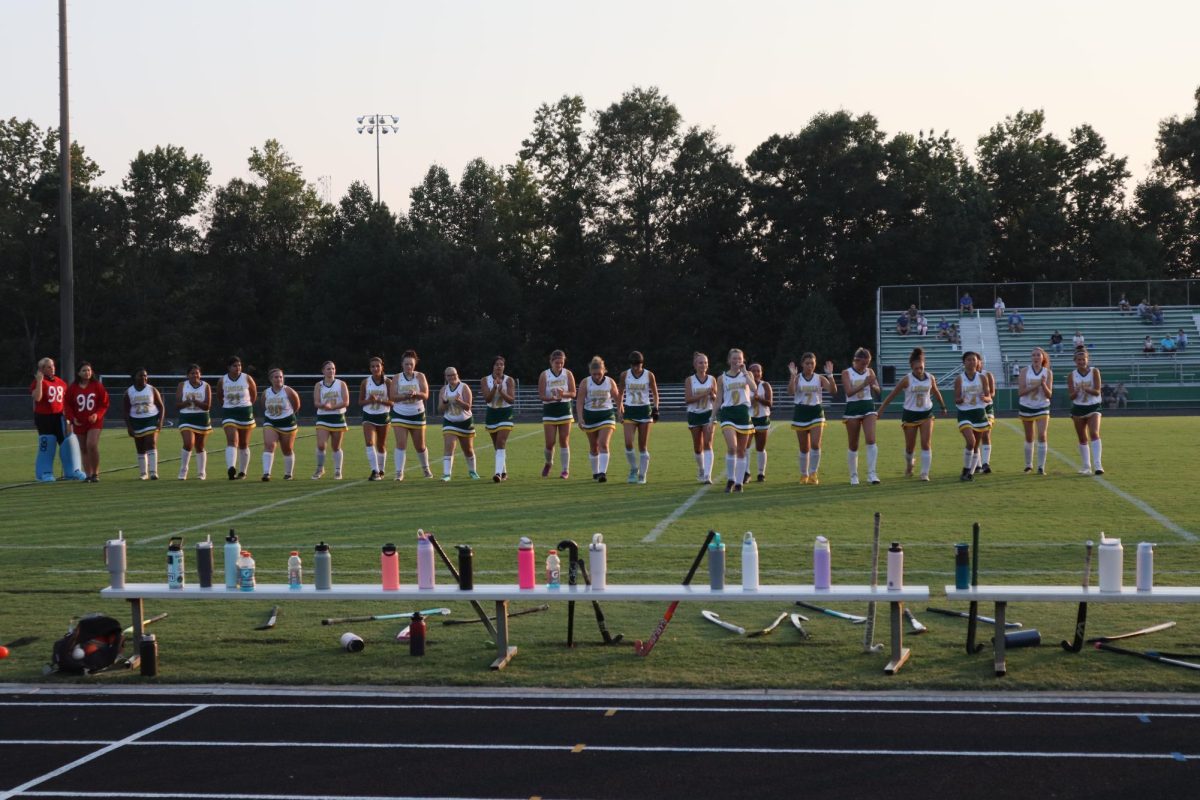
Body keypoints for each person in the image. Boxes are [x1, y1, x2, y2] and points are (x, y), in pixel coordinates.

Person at [877, 347, 947, 481]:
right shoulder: (906, 380)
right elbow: (891, 395)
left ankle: (924, 473)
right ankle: (910, 464)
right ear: (911, 367)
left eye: (921, 367)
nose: (919, 371)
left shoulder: (930, 378)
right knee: (910, 447)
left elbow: (936, 391)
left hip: (926, 413)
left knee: (926, 443)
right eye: (916, 368)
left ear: (924, 365)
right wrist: (880, 410)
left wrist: (942, 405)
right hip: (910, 414)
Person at [787, 353, 836, 485]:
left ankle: (814, 473)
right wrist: (792, 377)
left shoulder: (819, 378)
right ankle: (804, 474)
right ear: (802, 364)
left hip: (816, 413)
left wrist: (830, 376)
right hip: (801, 413)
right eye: (807, 363)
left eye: (812, 363)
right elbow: (791, 392)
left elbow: (833, 390)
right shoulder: (797, 378)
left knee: (815, 444)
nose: (810, 366)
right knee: (804, 448)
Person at [716, 348, 757, 493]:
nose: (737, 361)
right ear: (729, 360)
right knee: (732, 447)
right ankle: (731, 479)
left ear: (743, 360)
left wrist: (745, 372)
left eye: (739, 359)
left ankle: (739, 483)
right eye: (734, 358)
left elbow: (754, 388)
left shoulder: (747, 375)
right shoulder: (722, 378)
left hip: (743, 414)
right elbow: (718, 398)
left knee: (741, 450)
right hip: (727, 413)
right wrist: (712, 417)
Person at [390, 350, 432, 481]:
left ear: (415, 365)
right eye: (406, 364)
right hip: (400, 414)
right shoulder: (397, 377)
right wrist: (404, 396)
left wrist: (416, 394)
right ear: (402, 364)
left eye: (411, 364)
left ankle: (426, 468)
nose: (409, 367)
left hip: (417, 413)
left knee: (420, 445)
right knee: (401, 444)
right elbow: (392, 397)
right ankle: (399, 472)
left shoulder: (420, 376)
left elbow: (425, 395)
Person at [841, 347, 881, 485]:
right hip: (852, 408)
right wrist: (864, 384)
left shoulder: (870, 372)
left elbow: (877, 389)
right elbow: (849, 392)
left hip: (868, 407)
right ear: (856, 360)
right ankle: (853, 475)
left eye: (868, 363)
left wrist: (873, 385)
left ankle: (872, 473)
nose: (866, 366)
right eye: (863, 363)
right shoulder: (846, 373)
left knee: (871, 439)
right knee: (853, 444)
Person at [577, 356, 619, 482]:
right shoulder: (585, 382)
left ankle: (602, 473)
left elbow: (617, 398)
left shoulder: (610, 382)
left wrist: (621, 411)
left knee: (603, 444)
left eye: (599, 374)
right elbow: (579, 402)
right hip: (590, 416)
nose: (597, 376)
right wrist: (580, 418)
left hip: (607, 415)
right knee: (594, 447)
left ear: (604, 371)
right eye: (594, 374)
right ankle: (595, 473)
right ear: (590, 372)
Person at [65, 362, 110, 483]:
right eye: (84, 370)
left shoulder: (97, 386)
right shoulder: (73, 388)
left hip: (94, 421)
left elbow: (104, 403)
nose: (87, 373)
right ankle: (88, 474)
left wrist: (97, 415)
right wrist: (72, 418)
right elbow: (67, 405)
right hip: (79, 422)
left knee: (91, 444)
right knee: (83, 448)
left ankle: (95, 473)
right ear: (79, 373)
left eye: (89, 370)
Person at [619, 351, 659, 484]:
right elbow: (620, 393)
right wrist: (620, 410)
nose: (635, 368)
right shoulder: (625, 375)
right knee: (628, 443)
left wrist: (656, 408)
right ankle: (633, 468)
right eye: (633, 365)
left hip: (644, 412)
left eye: (638, 365)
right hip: (630, 411)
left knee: (643, 446)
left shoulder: (649, 375)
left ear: (642, 364)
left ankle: (642, 474)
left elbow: (655, 393)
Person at [31, 357, 73, 482]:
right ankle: (44, 472)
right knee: (47, 443)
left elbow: (66, 402)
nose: (52, 368)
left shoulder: (61, 383)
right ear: (42, 369)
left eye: (53, 366)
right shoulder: (39, 382)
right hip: (44, 417)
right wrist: (39, 381)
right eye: (49, 367)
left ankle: (71, 470)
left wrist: (69, 418)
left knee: (67, 444)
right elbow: (37, 398)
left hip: (59, 417)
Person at [215, 356, 257, 480]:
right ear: (229, 367)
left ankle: (243, 472)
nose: (237, 368)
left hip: (245, 412)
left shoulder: (247, 378)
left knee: (244, 444)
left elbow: (253, 395)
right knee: (232, 440)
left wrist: (246, 406)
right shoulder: (222, 380)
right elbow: (219, 395)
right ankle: (231, 468)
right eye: (234, 365)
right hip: (229, 412)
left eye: (239, 365)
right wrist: (228, 405)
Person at [953, 352, 991, 482]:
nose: (971, 362)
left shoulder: (982, 378)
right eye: (968, 360)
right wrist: (961, 399)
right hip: (965, 413)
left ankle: (968, 473)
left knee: (975, 446)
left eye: (973, 360)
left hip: (979, 413)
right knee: (971, 441)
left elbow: (989, 397)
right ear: (964, 362)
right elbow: (956, 399)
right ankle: (965, 469)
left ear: (977, 362)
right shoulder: (960, 378)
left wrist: (984, 398)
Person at [539, 349, 576, 479]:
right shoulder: (545, 375)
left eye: (561, 362)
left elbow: (573, 393)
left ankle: (565, 470)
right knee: (549, 442)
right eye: (556, 363)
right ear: (551, 362)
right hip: (550, 410)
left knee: (564, 440)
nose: (559, 365)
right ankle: (549, 463)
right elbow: (542, 395)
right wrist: (553, 398)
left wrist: (563, 394)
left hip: (564, 409)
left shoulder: (568, 374)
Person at [1067, 347, 1104, 475]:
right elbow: (1071, 396)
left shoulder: (1094, 371)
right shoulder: (1072, 375)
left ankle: (1098, 465)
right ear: (1075, 361)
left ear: (1087, 360)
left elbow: (1097, 391)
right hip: (1078, 408)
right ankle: (1086, 466)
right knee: (1082, 437)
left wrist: (1085, 388)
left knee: (1094, 433)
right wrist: (1077, 391)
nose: (1081, 362)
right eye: (1079, 360)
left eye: (1083, 359)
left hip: (1093, 406)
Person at [259, 368, 301, 481]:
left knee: (287, 449)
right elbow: (263, 406)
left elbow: (296, 405)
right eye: (276, 377)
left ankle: (288, 473)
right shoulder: (266, 393)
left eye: (281, 377)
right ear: (271, 379)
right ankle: (266, 473)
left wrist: (287, 415)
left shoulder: (288, 391)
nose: (279, 379)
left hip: (287, 423)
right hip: (271, 421)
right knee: (269, 445)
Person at [124, 368, 165, 480]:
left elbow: (161, 406)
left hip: (151, 419)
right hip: (136, 421)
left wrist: (160, 421)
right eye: (141, 376)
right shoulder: (129, 392)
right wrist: (129, 427)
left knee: (150, 442)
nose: (144, 378)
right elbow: (126, 411)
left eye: (145, 376)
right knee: (140, 447)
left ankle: (153, 472)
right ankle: (143, 473)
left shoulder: (152, 389)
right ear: (135, 378)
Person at [1017, 347, 1053, 475]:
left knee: (1042, 435)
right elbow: (1021, 392)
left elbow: (1049, 395)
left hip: (1042, 406)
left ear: (1043, 357)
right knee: (1029, 436)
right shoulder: (1024, 371)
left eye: (1038, 355)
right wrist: (1037, 385)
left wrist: (1043, 385)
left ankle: (1041, 467)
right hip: (1026, 406)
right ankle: (1028, 465)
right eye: (1034, 355)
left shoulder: (1047, 372)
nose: (1036, 357)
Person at [438, 366, 478, 481]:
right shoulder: (443, 390)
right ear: (446, 377)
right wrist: (445, 402)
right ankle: (446, 474)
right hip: (450, 421)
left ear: (457, 375)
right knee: (449, 445)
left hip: (465, 422)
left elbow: (468, 407)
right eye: (449, 375)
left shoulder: (464, 387)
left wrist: (459, 401)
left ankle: (472, 471)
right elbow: (440, 409)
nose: (451, 377)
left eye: (453, 374)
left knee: (468, 449)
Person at [312, 360, 349, 480]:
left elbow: (346, 402)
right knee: (321, 445)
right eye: (328, 369)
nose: (331, 371)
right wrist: (324, 406)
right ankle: (320, 468)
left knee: (336, 447)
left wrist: (332, 407)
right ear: (323, 371)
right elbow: (316, 402)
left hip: (338, 418)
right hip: (323, 418)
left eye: (333, 368)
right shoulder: (319, 385)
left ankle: (338, 471)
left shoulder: (341, 384)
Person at [481, 355, 515, 482]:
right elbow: (487, 399)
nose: (499, 367)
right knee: (497, 445)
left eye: (501, 364)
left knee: (501, 442)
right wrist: (495, 388)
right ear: (493, 366)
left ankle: (497, 474)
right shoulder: (485, 380)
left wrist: (502, 391)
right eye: (497, 364)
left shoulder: (509, 380)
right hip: (492, 414)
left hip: (505, 413)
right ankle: (504, 472)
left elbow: (511, 400)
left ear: (504, 367)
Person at [685, 351, 718, 484]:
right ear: (695, 365)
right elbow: (688, 399)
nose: (703, 365)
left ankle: (707, 475)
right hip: (694, 414)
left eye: (705, 362)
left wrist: (712, 396)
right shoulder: (690, 380)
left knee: (708, 444)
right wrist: (704, 394)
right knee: (698, 447)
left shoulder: (712, 379)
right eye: (700, 362)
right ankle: (701, 469)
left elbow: (716, 398)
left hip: (708, 414)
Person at [175, 364, 212, 481]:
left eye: (197, 373)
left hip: (202, 418)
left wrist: (196, 402)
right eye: (192, 373)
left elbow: (207, 406)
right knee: (188, 443)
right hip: (186, 417)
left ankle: (201, 472)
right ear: (188, 375)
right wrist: (187, 402)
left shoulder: (206, 386)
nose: (194, 375)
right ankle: (183, 470)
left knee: (200, 446)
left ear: (200, 374)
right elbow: (178, 405)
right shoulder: (182, 385)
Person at [359, 356, 392, 480]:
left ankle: (381, 470)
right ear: (370, 368)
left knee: (381, 445)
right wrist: (369, 400)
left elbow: (392, 402)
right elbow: (360, 402)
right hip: (368, 416)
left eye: (377, 366)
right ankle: (375, 471)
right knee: (369, 442)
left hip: (383, 416)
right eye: (372, 366)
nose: (375, 368)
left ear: (382, 367)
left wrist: (379, 400)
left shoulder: (388, 382)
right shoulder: (365, 382)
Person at [748, 363, 773, 482]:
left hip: (763, 418)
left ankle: (761, 473)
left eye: (758, 371)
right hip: (749, 419)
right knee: (745, 448)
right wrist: (752, 401)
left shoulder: (765, 385)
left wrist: (759, 399)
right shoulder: (745, 386)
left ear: (761, 373)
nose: (756, 373)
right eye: (753, 371)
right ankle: (746, 473)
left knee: (760, 447)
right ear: (749, 373)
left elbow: (770, 403)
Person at [972, 355, 997, 473]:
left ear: (980, 362)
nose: (975, 363)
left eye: (977, 361)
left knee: (986, 434)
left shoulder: (988, 375)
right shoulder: (966, 377)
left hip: (987, 408)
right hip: (973, 409)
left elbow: (992, 393)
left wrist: (986, 397)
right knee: (975, 437)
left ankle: (986, 463)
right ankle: (977, 464)